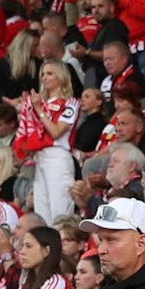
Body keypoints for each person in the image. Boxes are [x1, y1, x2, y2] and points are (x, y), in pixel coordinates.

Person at [30, 59, 82, 223]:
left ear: (61, 76)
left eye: (50, 73)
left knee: (60, 213)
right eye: (43, 74)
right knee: (42, 213)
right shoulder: (42, 104)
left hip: (58, 157)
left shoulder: (70, 103)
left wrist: (39, 111)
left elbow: (56, 132)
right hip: (40, 158)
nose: (44, 78)